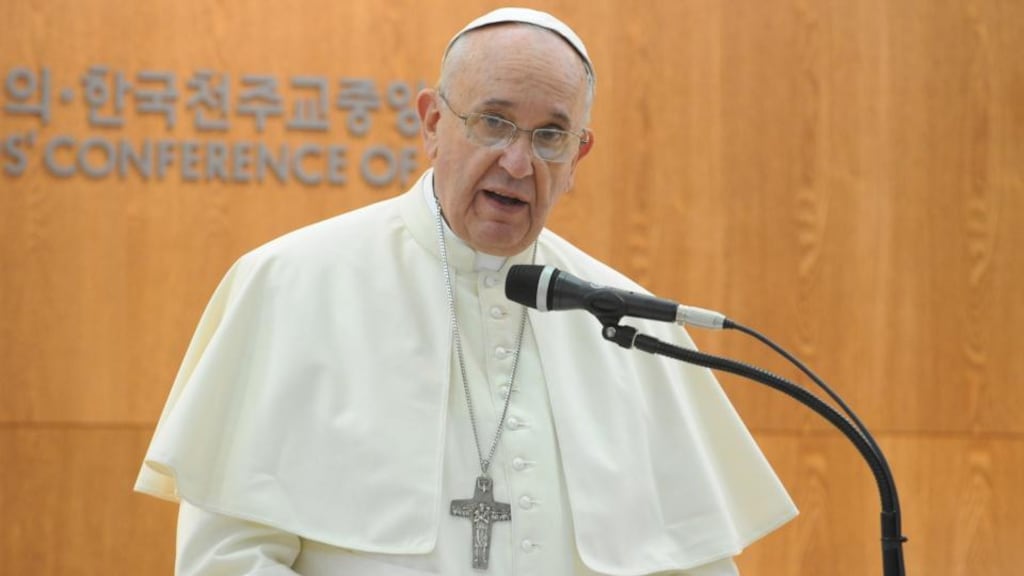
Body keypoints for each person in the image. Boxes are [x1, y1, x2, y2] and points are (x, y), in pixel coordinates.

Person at [136, 7, 797, 575]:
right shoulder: (291, 285)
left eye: (550, 136)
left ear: (578, 157)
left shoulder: (633, 327)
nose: (518, 162)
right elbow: (228, 559)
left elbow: (695, 561)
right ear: (432, 123)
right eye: (493, 122)